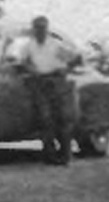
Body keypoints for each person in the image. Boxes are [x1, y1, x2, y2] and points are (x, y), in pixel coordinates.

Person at [7, 15, 82, 166]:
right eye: (37, 28)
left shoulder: (55, 45)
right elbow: (20, 61)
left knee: (62, 118)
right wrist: (30, 69)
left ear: (47, 29)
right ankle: (49, 155)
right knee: (45, 118)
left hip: (56, 80)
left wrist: (66, 69)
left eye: (43, 28)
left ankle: (65, 156)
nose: (40, 30)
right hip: (40, 82)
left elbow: (77, 58)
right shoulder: (29, 45)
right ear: (33, 29)